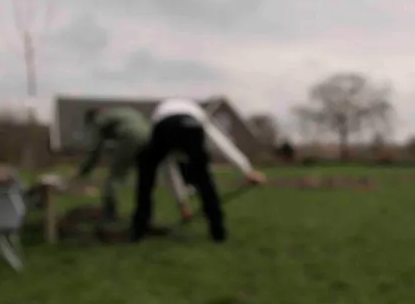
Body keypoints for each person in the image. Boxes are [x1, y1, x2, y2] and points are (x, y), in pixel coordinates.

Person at [130, 98, 267, 243]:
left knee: (146, 176)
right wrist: (247, 170)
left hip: (165, 126)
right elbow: (222, 143)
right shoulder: (197, 115)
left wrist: (182, 203)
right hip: (192, 127)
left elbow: (169, 170)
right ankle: (218, 231)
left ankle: (139, 229)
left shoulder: (161, 116)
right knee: (204, 178)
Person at [69, 106, 151, 221]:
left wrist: (82, 171)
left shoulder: (98, 120)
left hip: (130, 136)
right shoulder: (122, 112)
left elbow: (95, 151)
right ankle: (144, 215)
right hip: (149, 135)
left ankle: (110, 213)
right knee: (145, 178)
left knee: (114, 177)